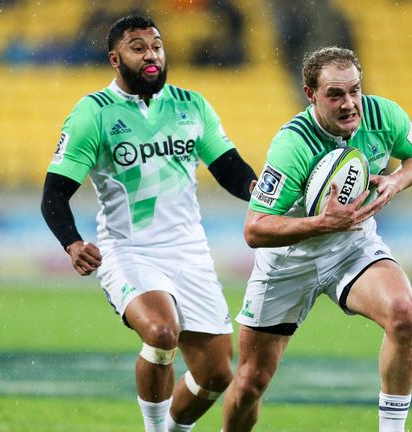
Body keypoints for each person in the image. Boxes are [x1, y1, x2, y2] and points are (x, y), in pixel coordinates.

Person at [40, 15, 257, 432]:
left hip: (189, 252)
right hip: (129, 251)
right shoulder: (94, 114)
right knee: (161, 332)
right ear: (115, 59)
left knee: (217, 374)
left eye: (156, 45)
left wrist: (265, 194)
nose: (151, 54)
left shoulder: (191, 105)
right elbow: (54, 193)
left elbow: (230, 169)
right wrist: (71, 243)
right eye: (138, 47)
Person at [222, 46, 412, 432]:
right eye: (335, 94)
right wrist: (321, 223)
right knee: (251, 383)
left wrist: (395, 180)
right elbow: (254, 229)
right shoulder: (293, 145)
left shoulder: (382, 114)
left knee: (405, 314)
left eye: (354, 90)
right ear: (311, 94)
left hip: (352, 245)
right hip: (289, 260)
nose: (349, 104)